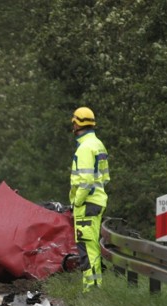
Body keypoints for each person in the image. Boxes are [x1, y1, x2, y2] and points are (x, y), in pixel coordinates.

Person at [70, 107, 110, 293]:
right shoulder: (98, 144)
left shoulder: (85, 148)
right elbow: (105, 177)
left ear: (76, 123)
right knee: (92, 244)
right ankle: (95, 287)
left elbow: (85, 181)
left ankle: (91, 288)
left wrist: (77, 201)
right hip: (98, 200)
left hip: (87, 203)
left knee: (87, 246)